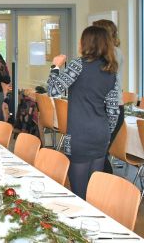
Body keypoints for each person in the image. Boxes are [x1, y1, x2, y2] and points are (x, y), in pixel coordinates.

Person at [47, 26, 119, 199]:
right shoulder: (111, 70)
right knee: (93, 191)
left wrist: (55, 66)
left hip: (78, 135)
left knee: (79, 193)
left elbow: (53, 91)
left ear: (87, 42)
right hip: (100, 134)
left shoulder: (78, 65)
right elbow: (113, 110)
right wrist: (106, 132)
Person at [93, 19, 125, 174]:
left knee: (100, 152)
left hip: (111, 107)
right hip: (102, 106)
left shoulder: (113, 53)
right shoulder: (103, 54)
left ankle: (104, 189)